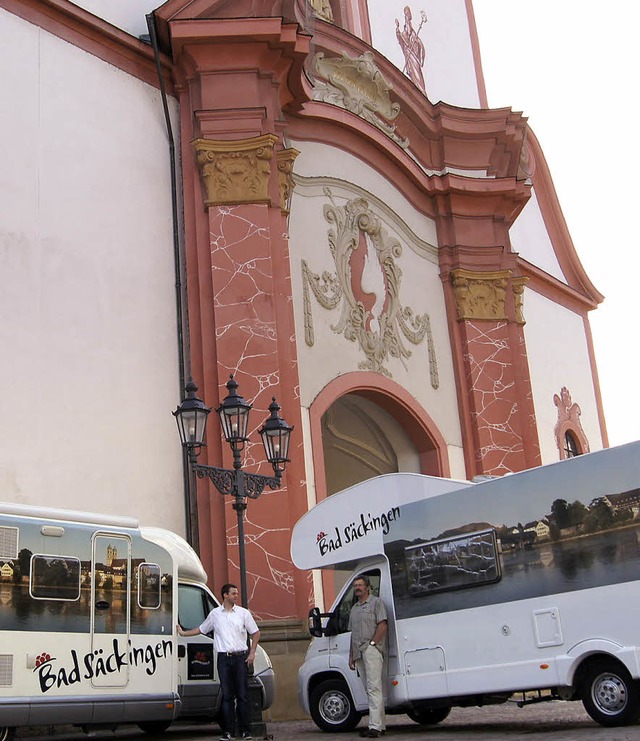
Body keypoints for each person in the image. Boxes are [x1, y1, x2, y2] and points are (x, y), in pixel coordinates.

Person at [177, 583, 260, 741]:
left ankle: (245, 730)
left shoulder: (243, 613)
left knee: (242, 695)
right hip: (223, 658)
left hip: (240, 657)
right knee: (227, 696)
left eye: (236, 593)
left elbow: (255, 633)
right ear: (225, 596)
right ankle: (228, 731)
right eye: (233, 593)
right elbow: (202, 629)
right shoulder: (215, 614)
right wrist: (183, 633)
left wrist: (252, 652)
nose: (236, 596)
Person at [348, 574, 388, 738]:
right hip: (358, 652)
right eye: (355, 585)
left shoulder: (376, 603)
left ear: (367, 587)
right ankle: (380, 725)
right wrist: (351, 655)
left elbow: (382, 624)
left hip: (371, 650)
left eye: (360, 585)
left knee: (374, 688)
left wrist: (373, 644)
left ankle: (374, 727)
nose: (357, 588)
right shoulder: (354, 609)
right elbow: (353, 634)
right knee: (369, 688)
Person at [395, 6, 427, 93]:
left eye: (407, 14)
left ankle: (421, 90)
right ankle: (418, 90)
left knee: (417, 73)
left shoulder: (412, 33)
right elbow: (401, 38)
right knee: (414, 73)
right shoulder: (405, 33)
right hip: (409, 55)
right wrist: (397, 29)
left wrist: (416, 43)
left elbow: (418, 44)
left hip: (414, 56)